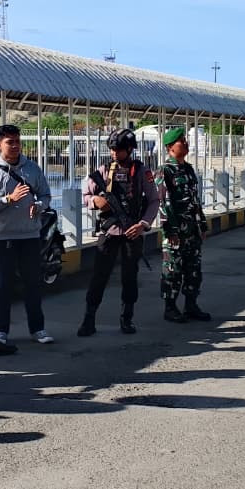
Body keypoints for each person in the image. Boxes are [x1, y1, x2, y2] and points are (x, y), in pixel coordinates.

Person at [78, 128, 160, 337]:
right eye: (112, 149)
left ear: (130, 149)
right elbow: (86, 195)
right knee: (99, 276)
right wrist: (95, 202)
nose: (114, 153)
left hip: (132, 232)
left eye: (119, 149)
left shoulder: (141, 171)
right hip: (109, 232)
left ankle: (127, 318)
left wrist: (143, 224)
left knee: (129, 277)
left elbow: (153, 200)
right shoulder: (103, 171)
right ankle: (89, 318)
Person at [0, 123, 55, 346]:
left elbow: (45, 195)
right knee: (3, 285)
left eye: (17, 141)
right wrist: (9, 199)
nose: (14, 146)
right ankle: (1, 331)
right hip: (2, 237)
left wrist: (39, 206)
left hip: (29, 235)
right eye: (9, 142)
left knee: (32, 283)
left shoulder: (32, 168)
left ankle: (38, 329)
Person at [157, 127, 210, 322]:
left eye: (186, 140)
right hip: (176, 231)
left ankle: (191, 305)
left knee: (193, 269)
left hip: (192, 230)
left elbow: (195, 200)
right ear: (171, 147)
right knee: (172, 269)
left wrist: (202, 224)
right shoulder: (165, 170)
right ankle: (170, 307)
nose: (186, 144)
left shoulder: (187, 169)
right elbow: (163, 202)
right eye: (182, 141)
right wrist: (169, 230)